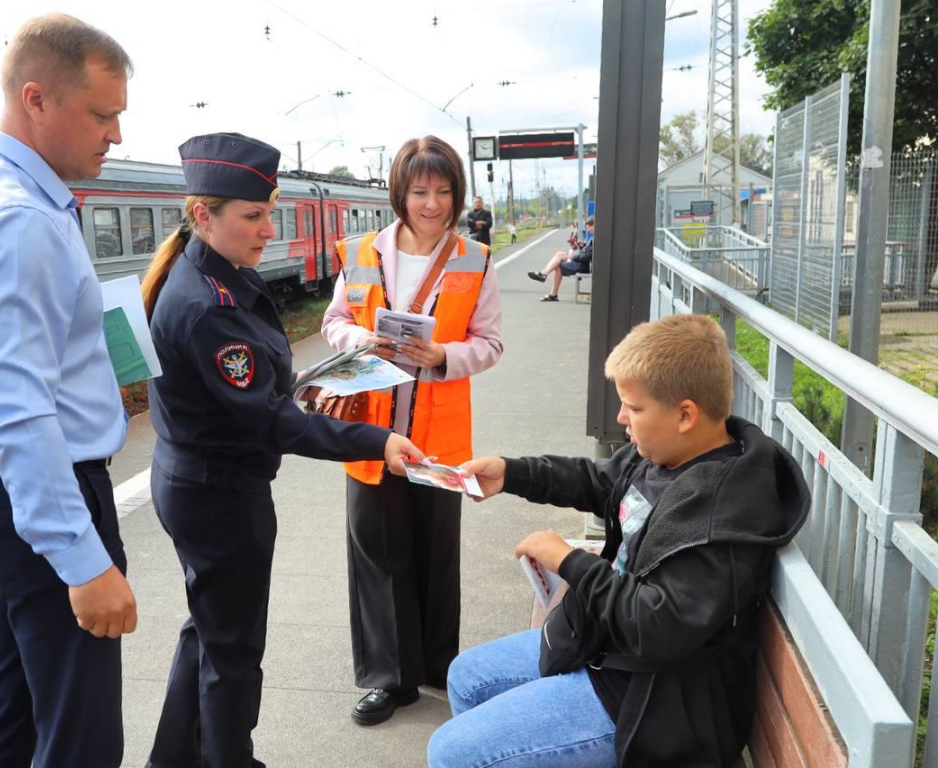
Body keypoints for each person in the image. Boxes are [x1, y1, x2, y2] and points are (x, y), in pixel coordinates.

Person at [140, 132, 423, 768]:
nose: (269, 229)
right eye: (254, 216)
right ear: (203, 215)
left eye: (270, 213)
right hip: (220, 496)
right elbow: (270, 425)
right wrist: (378, 440)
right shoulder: (206, 307)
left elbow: (255, 398)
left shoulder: (208, 274)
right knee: (234, 650)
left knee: (208, 635)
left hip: (200, 481)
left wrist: (316, 383)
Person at [427, 314, 810, 767]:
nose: (620, 418)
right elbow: (597, 480)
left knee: (452, 752)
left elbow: (660, 628)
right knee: (466, 677)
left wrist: (570, 561)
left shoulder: (723, 512)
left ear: (686, 414)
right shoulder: (667, 455)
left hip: (650, 700)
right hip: (607, 645)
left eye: (634, 407)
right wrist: (511, 473)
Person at [0, 14, 135, 767]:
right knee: (80, 737)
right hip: (39, 495)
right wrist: (83, 559)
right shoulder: (17, 219)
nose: (114, 135)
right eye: (102, 114)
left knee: (7, 709)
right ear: (36, 99)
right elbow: (18, 410)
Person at [322, 135, 503, 726]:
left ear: (458, 193)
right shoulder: (360, 252)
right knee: (377, 551)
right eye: (420, 191)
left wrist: (441, 356)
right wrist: (362, 338)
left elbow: (491, 344)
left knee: (434, 551)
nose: (432, 203)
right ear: (400, 192)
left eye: (444, 191)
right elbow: (335, 322)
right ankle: (387, 679)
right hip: (370, 432)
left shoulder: (475, 259)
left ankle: (435, 666)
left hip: (437, 437)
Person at [528, 215, 594, 301]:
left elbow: (587, 256)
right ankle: (544, 276)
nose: (588, 230)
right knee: (559, 254)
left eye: (588, 227)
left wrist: (573, 257)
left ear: (594, 225)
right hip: (582, 263)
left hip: (583, 266)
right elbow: (588, 253)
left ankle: (549, 285)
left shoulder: (596, 239)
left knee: (558, 265)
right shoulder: (596, 237)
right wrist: (582, 246)